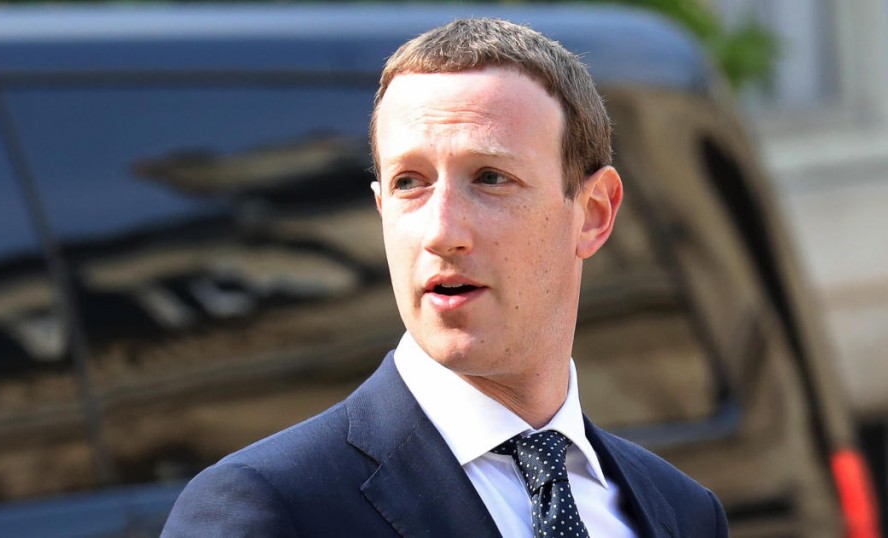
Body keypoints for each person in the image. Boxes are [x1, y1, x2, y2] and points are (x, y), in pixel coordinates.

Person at [163, 18, 728, 538]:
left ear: (594, 213)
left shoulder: (682, 511)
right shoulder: (266, 509)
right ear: (381, 208)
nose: (441, 231)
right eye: (410, 183)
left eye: (489, 177)